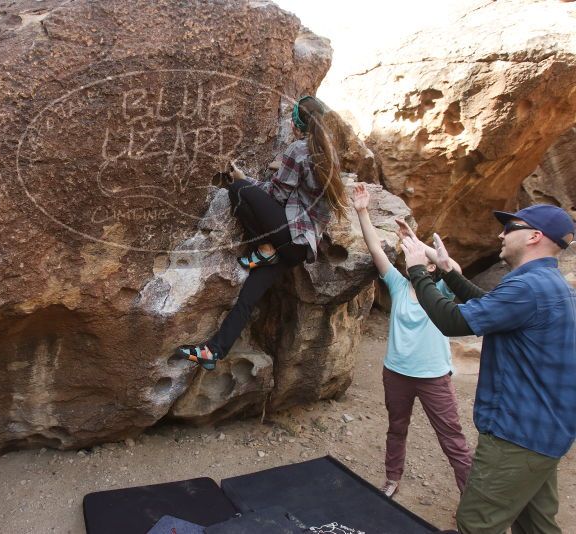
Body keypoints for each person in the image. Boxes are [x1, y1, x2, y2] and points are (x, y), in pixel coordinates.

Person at [400, 204, 576, 533]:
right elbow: (490, 306)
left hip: (516, 436)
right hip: (545, 434)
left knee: (476, 524)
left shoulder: (528, 288)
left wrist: (417, 271)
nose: (501, 234)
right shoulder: (552, 286)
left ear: (535, 236)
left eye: (510, 228)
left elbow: (453, 321)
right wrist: (448, 271)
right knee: (536, 525)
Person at [175, 95, 348, 370]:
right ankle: (214, 351)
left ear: (296, 124)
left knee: (237, 191)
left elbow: (277, 195)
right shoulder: (329, 154)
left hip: (288, 235)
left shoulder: (298, 150)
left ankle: (266, 247)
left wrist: (245, 180)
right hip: (299, 249)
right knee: (249, 294)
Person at [352, 183, 472, 499]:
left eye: (418, 258)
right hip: (397, 373)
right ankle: (392, 478)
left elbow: (452, 269)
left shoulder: (441, 291)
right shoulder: (398, 284)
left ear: (430, 266)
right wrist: (362, 211)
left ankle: (473, 497)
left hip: (433, 377)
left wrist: (417, 243)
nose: (408, 257)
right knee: (397, 429)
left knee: (452, 439)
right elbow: (376, 249)